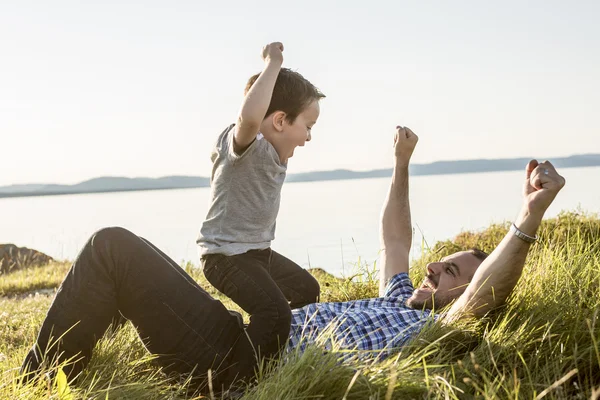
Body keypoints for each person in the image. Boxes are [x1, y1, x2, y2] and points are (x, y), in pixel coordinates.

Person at [21, 126, 566, 395]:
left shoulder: (437, 333)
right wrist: (401, 162)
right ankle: (64, 377)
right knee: (119, 259)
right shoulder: (398, 298)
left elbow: (485, 293)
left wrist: (529, 214)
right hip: (237, 336)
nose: (432, 268)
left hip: (239, 363)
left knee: (110, 247)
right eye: (440, 262)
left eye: (450, 272)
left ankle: (37, 382)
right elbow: (394, 237)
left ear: (461, 295)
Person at [196, 41, 324, 362]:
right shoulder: (245, 145)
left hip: (256, 254)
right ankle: (233, 377)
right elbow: (251, 119)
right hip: (225, 256)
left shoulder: (277, 153)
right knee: (275, 314)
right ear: (280, 121)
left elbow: (261, 115)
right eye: (307, 127)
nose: (308, 137)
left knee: (306, 291)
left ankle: (271, 345)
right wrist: (273, 63)